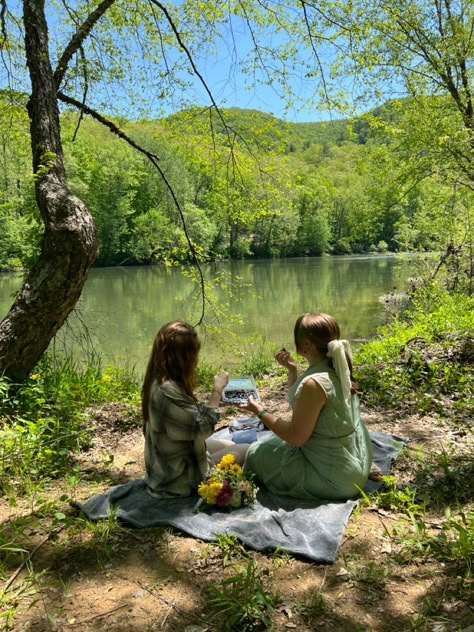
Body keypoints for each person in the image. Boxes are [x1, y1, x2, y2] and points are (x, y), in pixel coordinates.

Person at [241, 312, 373, 501]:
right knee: (271, 443)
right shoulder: (337, 367)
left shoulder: (315, 383)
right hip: (356, 466)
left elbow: (296, 437)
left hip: (336, 481)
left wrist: (260, 411)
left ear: (305, 344)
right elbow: (303, 407)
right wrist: (292, 370)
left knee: (256, 453)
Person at [142, 320, 245, 498]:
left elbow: (187, 417)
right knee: (247, 449)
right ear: (182, 357)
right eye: (193, 354)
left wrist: (212, 404)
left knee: (229, 444)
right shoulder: (167, 391)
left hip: (169, 459)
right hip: (177, 480)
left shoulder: (157, 379)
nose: (196, 360)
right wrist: (217, 390)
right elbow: (203, 428)